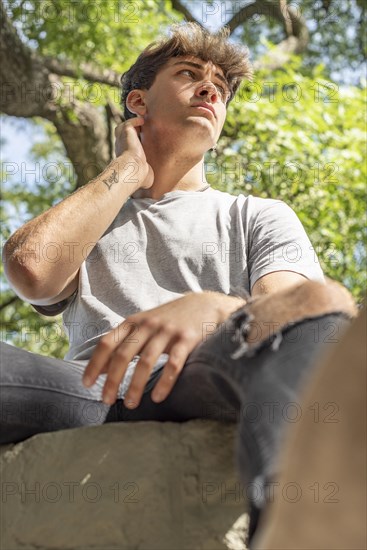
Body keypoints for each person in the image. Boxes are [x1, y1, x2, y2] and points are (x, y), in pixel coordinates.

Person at [1, 23, 358, 546]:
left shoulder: (254, 215)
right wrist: (128, 166)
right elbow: (31, 268)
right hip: (88, 391)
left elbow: (311, 310)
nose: (211, 90)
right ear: (138, 102)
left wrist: (214, 308)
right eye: (190, 75)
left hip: (203, 379)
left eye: (220, 86)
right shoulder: (93, 217)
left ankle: (295, 530)